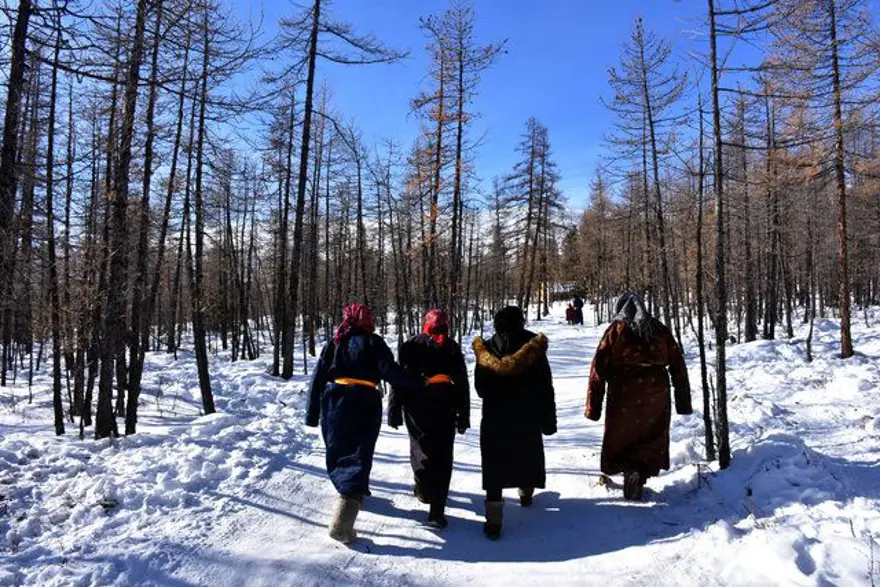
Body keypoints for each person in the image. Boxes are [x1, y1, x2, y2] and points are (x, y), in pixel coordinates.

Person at [306, 303, 424, 545]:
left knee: (338, 448)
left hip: (334, 400)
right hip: (364, 401)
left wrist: (312, 413)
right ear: (366, 320)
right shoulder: (374, 343)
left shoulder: (335, 341)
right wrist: (418, 384)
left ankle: (351, 490)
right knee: (359, 451)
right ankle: (344, 513)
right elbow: (390, 372)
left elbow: (318, 377)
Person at [585, 292, 692, 501]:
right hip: (656, 391)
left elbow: (598, 369)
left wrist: (593, 407)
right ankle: (640, 472)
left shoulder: (615, 332)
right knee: (651, 434)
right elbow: (678, 364)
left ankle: (629, 469)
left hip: (623, 392)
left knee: (622, 434)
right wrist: (683, 402)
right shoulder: (659, 330)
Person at [472, 306, 556, 540]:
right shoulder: (534, 346)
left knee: (494, 464)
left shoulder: (486, 349)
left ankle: (494, 519)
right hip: (526, 414)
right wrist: (549, 419)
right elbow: (544, 386)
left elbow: (480, 389)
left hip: (495, 415)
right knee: (526, 455)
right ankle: (525, 492)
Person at [388, 309, 470, 529]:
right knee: (442, 456)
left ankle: (426, 492)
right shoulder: (451, 347)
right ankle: (436, 509)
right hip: (443, 406)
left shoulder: (411, 345)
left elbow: (399, 381)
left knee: (421, 451)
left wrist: (394, 409)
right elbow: (462, 384)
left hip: (418, 407)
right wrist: (464, 415)